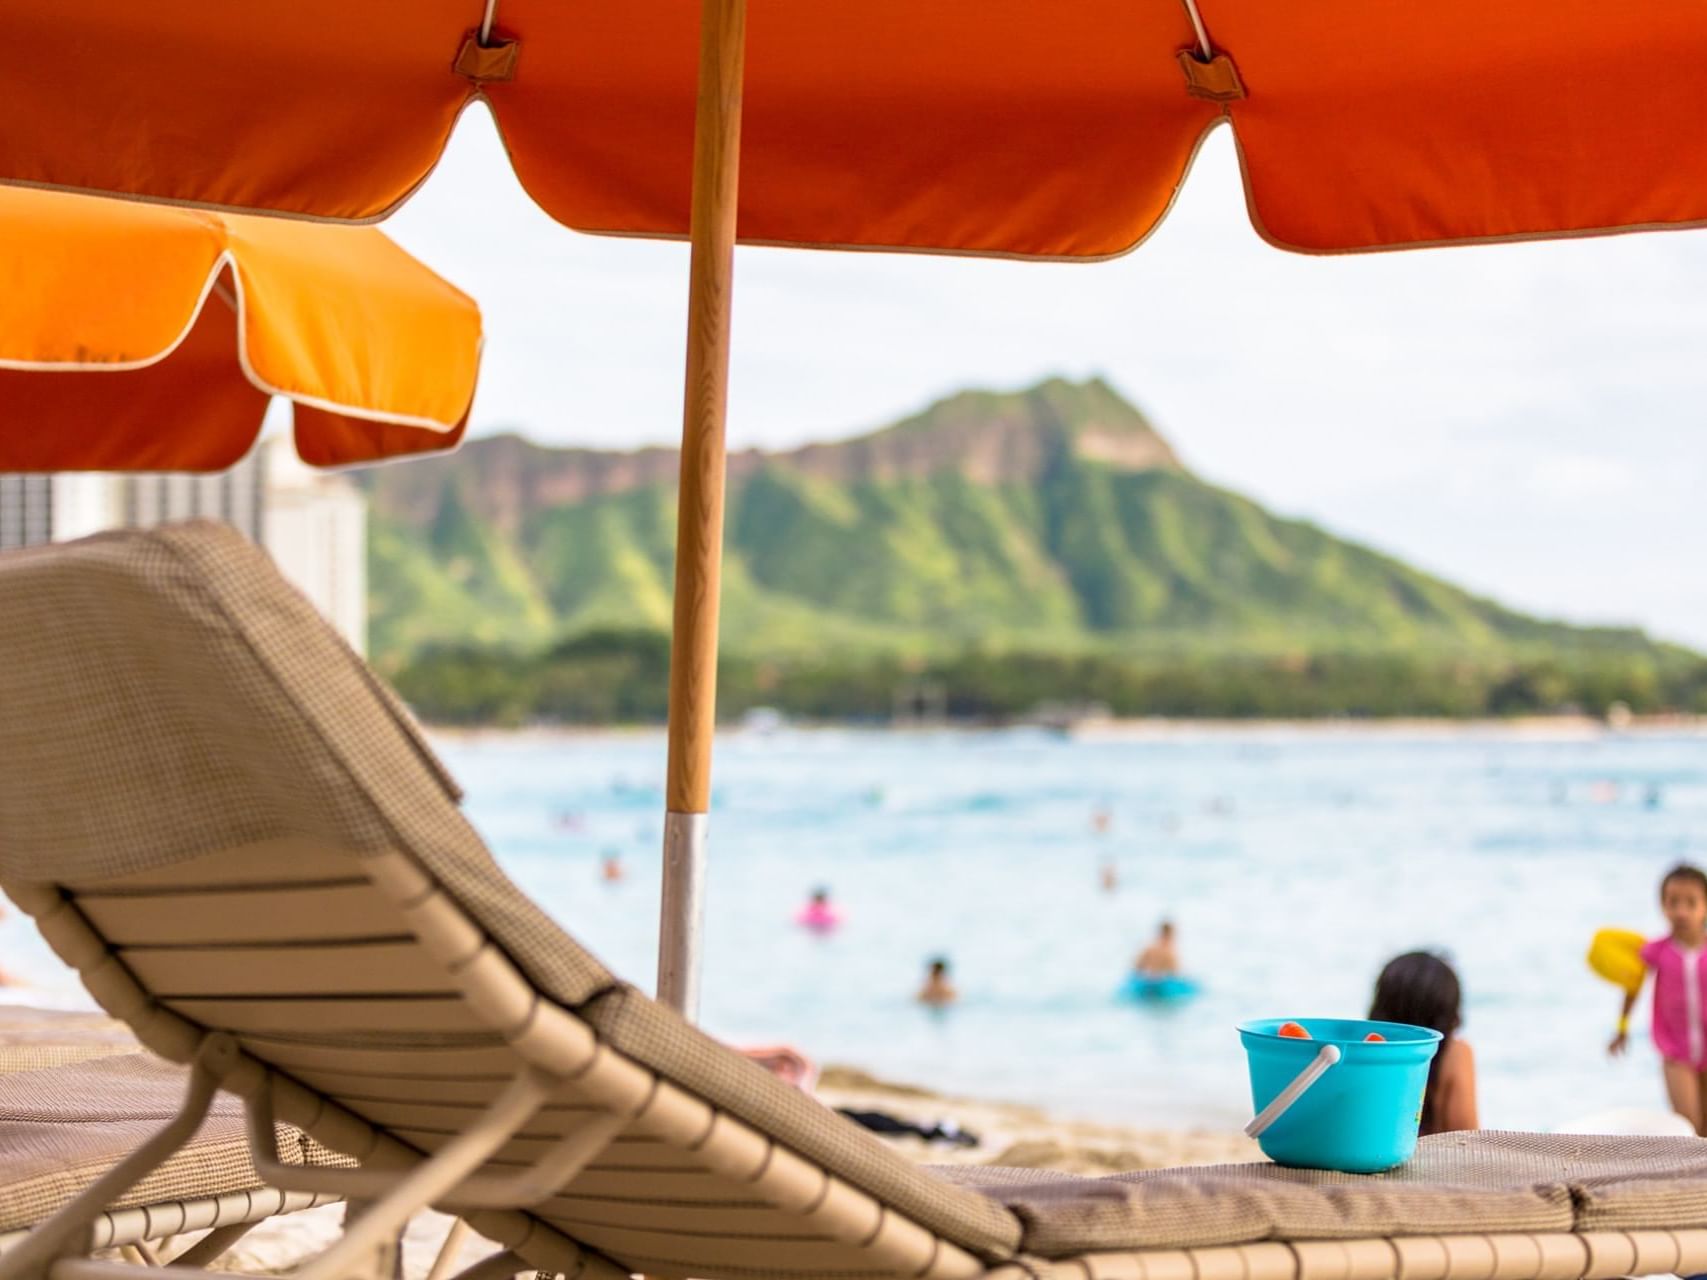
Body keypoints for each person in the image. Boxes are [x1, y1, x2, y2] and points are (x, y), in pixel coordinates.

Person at [1610, 863, 1707, 1134]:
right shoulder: (1656, 951)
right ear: (1662, 905)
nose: (1681, 911)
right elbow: (1633, 985)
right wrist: (1622, 1028)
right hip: (1676, 1051)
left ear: (1705, 907)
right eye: (1672, 902)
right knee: (1689, 1126)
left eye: (1691, 903)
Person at [1370, 951, 1478, 1134]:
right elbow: (1468, 1135)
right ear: (1448, 1011)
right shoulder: (1456, 1053)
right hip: (1437, 1159)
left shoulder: (1365, 1052)